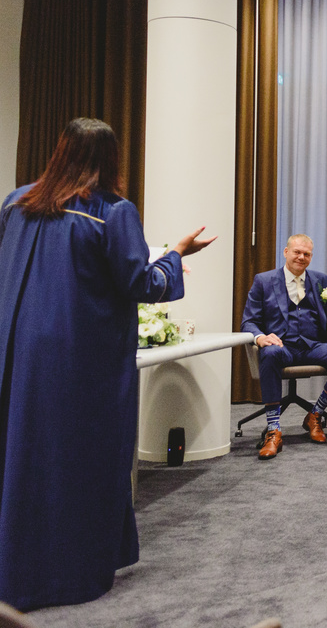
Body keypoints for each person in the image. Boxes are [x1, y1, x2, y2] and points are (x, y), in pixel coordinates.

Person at [0, 117, 215, 610]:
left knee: (18, 455)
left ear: (60, 150)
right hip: (77, 359)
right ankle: (62, 576)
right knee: (73, 460)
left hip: (16, 352)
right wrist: (176, 256)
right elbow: (141, 285)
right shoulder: (111, 212)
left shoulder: (15, 202)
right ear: (110, 158)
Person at [242, 233, 327, 459]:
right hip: (282, 346)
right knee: (269, 353)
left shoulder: (321, 280)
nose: (301, 257)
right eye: (297, 252)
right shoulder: (264, 281)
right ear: (286, 252)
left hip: (313, 345)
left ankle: (315, 414)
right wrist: (260, 337)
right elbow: (249, 321)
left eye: (306, 254)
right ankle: (274, 430)